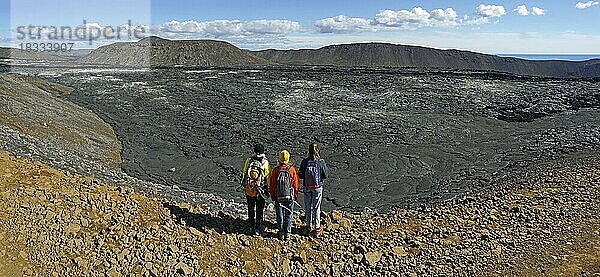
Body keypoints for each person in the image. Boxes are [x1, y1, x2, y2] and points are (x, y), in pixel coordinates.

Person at [299, 143, 329, 237]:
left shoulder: (305, 162)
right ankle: (317, 227)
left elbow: (301, 175)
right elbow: (325, 175)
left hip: (307, 186)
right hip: (317, 187)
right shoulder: (320, 162)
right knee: (316, 207)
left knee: (307, 206)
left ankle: (308, 226)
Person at [269, 150, 299, 241]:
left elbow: (272, 185)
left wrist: (273, 196)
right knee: (289, 214)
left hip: (279, 196)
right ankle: (288, 233)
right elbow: (295, 184)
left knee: (280, 214)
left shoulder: (275, 170)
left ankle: (281, 232)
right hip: (289, 196)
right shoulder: (291, 169)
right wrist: (295, 195)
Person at [241, 143, 270, 236]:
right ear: (263, 152)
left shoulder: (249, 161)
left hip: (250, 189)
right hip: (260, 190)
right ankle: (258, 228)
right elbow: (267, 177)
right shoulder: (265, 163)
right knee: (259, 209)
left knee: (250, 208)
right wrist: (268, 189)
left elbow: (245, 173)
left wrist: (245, 185)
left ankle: (250, 226)